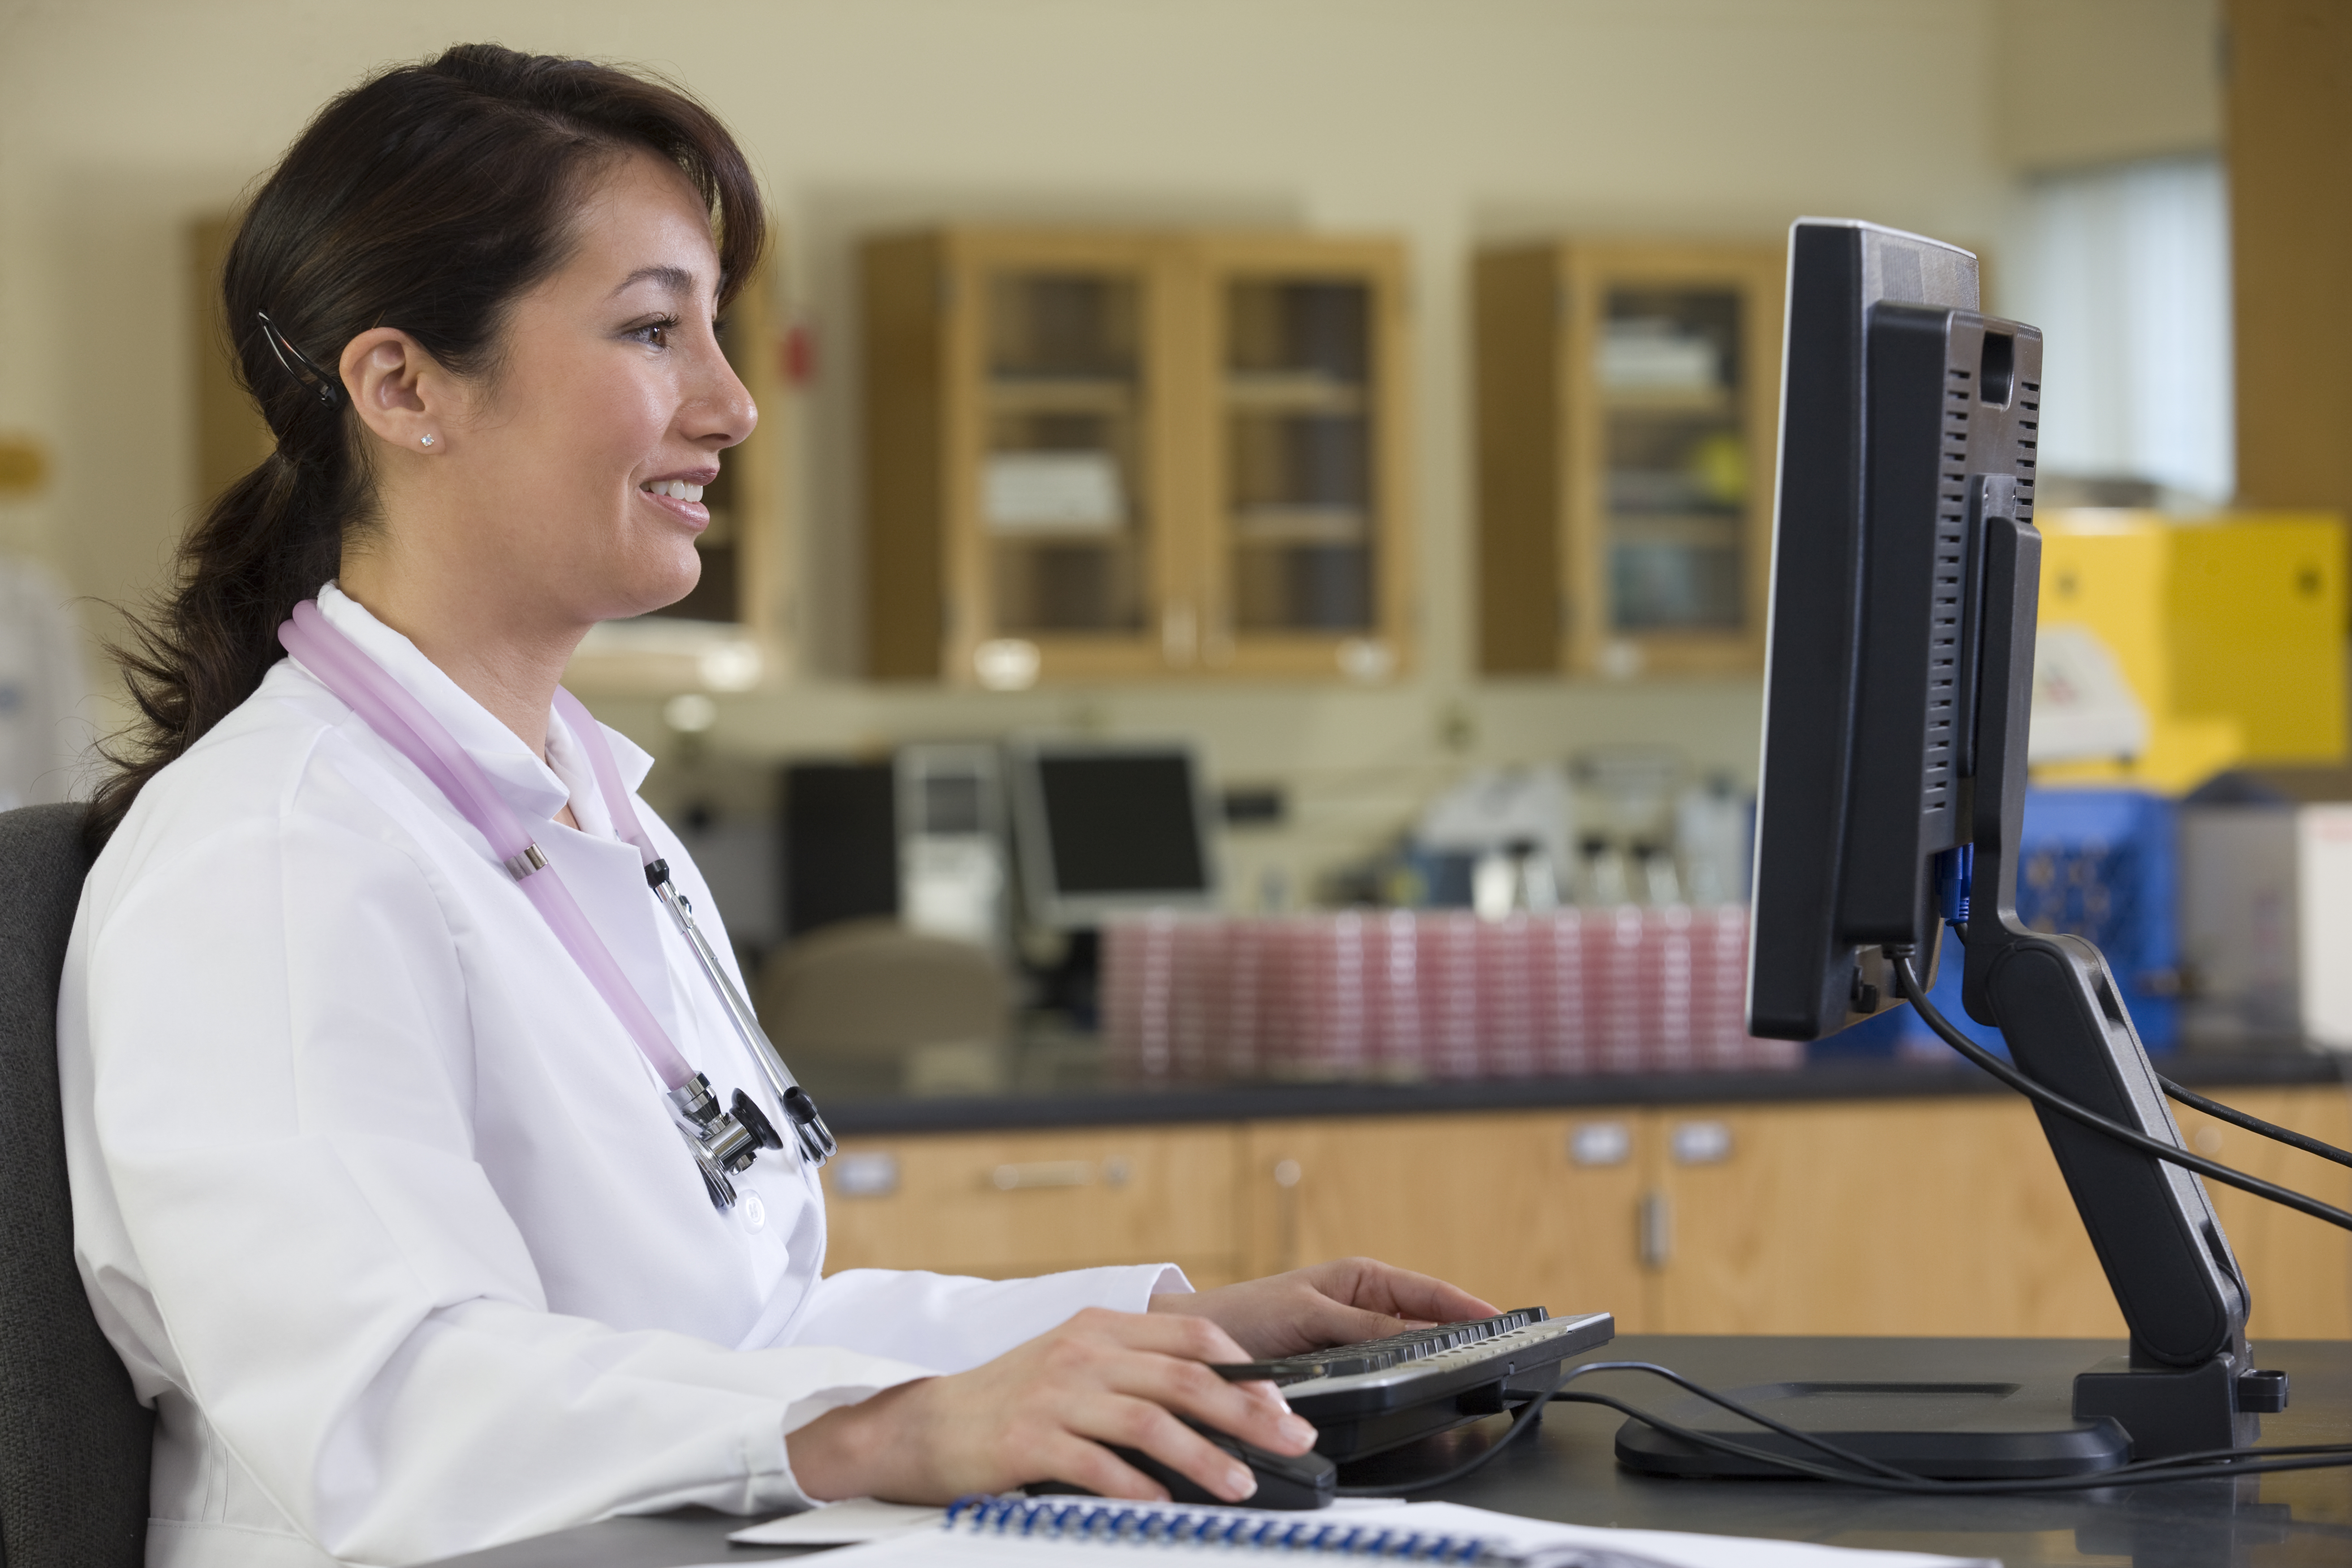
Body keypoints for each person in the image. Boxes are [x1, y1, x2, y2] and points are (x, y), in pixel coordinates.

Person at [60, 45, 1495, 1568]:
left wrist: (1161, 1327)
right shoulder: (275, 852)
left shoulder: (594, 816)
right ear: (404, 384)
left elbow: (741, 1327)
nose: (733, 404)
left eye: (715, 332)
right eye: (651, 328)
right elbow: (380, 1408)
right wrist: (881, 1430)